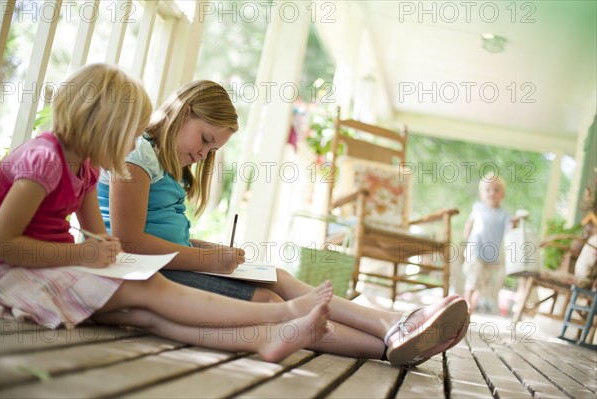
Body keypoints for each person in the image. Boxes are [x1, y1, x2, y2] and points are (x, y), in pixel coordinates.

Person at [97, 79, 470, 367]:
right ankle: (390, 340)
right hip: (148, 275)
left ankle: (393, 326)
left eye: (212, 149)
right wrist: (208, 261)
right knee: (267, 299)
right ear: (183, 109)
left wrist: (212, 251)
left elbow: (166, 236)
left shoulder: (168, 165)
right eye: (205, 139)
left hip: (169, 265)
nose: (203, 153)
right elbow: (129, 242)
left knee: (274, 275)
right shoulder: (136, 154)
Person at [0, 63, 333, 364]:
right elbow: (2, 245)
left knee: (145, 314)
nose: (133, 146)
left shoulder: (85, 168)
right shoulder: (44, 160)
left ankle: (265, 339)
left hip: (52, 267)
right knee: (149, 290)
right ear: (101, 125)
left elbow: (99, 236)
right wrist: (83, 253)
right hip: (15, 275)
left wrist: (106, 248)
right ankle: (283, 314)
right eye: (130, 134)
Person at [462, 172, 512, 313]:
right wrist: (466, 237)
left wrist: (514, 224)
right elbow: (469, 223)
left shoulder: (504, 215)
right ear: (482, 194)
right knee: (474, 278)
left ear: (502, 194)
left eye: (496, 190)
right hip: (475, 251)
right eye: (488, 190)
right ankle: (466, 305)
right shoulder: (478, 208)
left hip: (491, 257)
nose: (492, 193)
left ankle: (470, 305)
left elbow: (509, 231)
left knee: (482, 284)